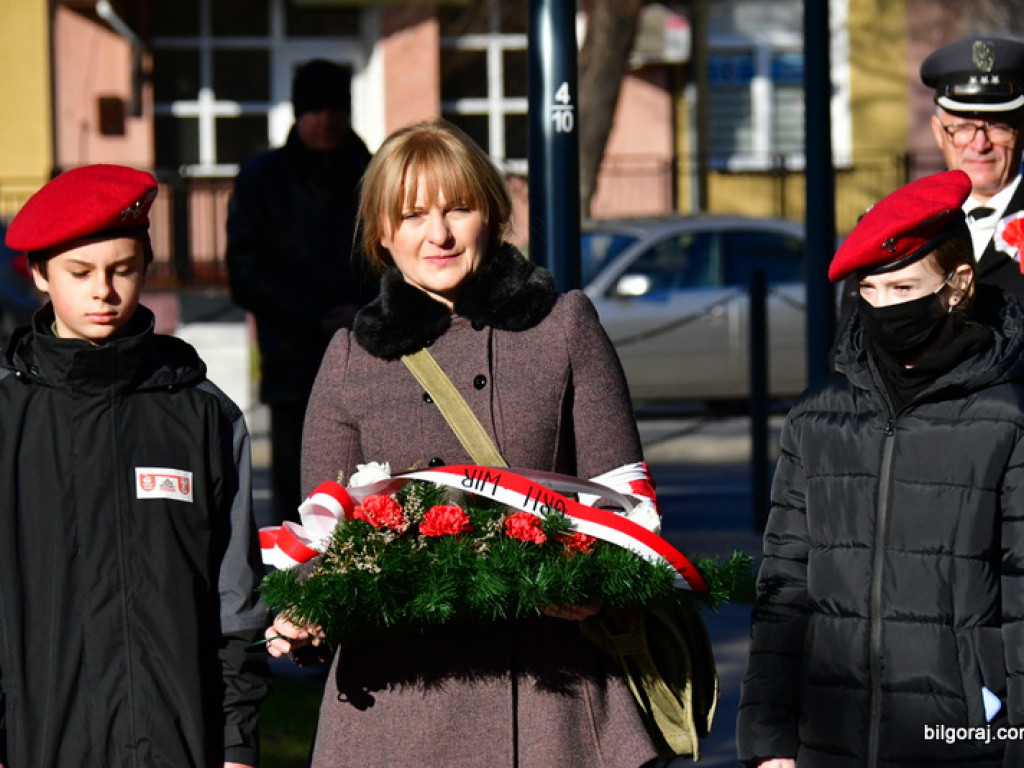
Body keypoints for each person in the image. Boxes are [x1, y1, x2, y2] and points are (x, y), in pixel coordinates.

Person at [263, 120, 665, 766]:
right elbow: (322, 540)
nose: (439, 234)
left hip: (547, 710)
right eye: (413, 214)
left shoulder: (564, 329)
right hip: (394, 721)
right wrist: (306, 622)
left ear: (494, 214)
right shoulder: (349, 360)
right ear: (382, 234)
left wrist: (598, 589)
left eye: (459, 208)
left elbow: (631, 519)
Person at [736, 170, 1024, 767]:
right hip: (828, 740)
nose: (884, 307)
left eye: (903, 288)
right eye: (870, 290)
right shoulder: (818, 417)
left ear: (957, 285)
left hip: (964, 743)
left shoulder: (1005, 419)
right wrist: (767, 743)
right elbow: (784, 587)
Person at [0, 164, 271, 767]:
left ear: (144, 269)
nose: (104, 290)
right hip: (37, 742)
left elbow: (237, 601)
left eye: (122, 270)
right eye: (80, 272)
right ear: (40, 274)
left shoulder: (202, 416)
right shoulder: (8, 418)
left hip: (177, 743)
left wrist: (236, 742)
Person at [226, 58, 373, 526]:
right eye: (315, 108)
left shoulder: (375, 175)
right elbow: (246, 272)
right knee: (297, 491)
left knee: (373, 485)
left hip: (370, 351)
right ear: (296, 112)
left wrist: (364, 313)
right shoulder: (261, 180)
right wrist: (316, 316)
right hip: (293, 360)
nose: (326, 119)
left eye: (336, 108)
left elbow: (395, 258)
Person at [921, 33, 1024, 301]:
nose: (980, 144)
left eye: (998, 126)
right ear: (938, 132)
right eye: (963, 127)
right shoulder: (906, 225)